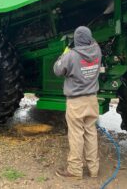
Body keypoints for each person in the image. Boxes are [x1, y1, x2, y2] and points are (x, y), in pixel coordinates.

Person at [53, 26, 102, 179]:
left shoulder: (71, 55)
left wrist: (64, 54)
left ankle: (75, 170)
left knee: (76, 135)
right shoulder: (97, 51)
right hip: (92, 100)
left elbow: (57, 70)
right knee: (91, 133)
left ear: (75, 40)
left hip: (76, 102)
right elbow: (93, 42)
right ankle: (94, 169)